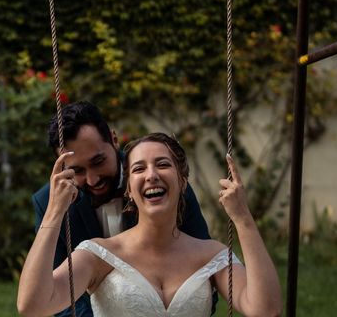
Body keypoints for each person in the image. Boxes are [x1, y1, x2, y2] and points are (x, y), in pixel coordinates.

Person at [18, 132, 283, 317]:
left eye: (163, 164)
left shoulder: (212, 256)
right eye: (138, 169)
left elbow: (266, 309)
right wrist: (54, 212)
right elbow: (33, 304)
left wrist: (243, 219)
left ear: (182, 181)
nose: (152, 175)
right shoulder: (96, 255)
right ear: (129, 190)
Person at [31, 102, 211, 317]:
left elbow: (203, 274)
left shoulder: (164, 184)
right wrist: (54, 212)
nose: (92, 179)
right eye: (77, 170)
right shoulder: (48, 202)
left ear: (114, 140)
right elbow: (55, 295)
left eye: (98, 161)